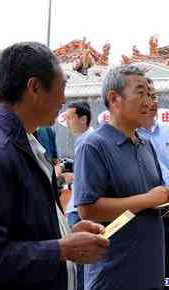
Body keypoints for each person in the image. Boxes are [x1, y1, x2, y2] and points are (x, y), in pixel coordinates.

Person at [0, 42, 109, 290]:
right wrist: (61, 248)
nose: (63, 99)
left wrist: (65, 232)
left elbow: (21, 228)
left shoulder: (24, 144)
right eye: (62, 87)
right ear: (35, 87)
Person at [74, 64, 169, 290]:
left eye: (149, 94)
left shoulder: (146, 144)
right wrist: (149, 200)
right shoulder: (94, 145)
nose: (149, 102)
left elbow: (153, 197)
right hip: (114, 274)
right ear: (114, 98)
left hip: (151, 271)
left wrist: (168, 204)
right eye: (140, 93)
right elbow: (88, 209)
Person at [138, 78, 169, 290]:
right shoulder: (130, 134)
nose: (151, 101)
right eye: (145, 95)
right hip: (142, 213)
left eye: (154, 96)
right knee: (145, 273)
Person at [63, 101, 94, 290]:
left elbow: (88, 180)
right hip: (77, 207)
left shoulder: (88, 142)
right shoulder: (84, 140)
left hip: (79, 210)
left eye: (70, 117)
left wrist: (70, 176)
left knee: (80, 261)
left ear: (83, 119)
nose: (67, 122)